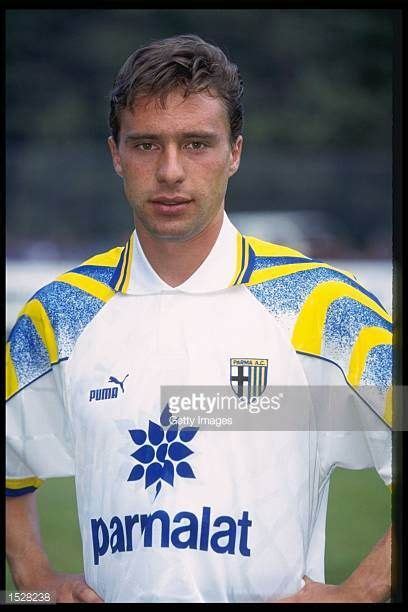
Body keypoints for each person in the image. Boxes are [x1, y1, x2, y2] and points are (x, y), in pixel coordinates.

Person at [6, 34, 392, 603]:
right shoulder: (59, 318)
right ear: (115, 154)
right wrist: (34, 578)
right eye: (144, 145)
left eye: (196, 144)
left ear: (235, 152)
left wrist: (362, 591)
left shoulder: (325, 313)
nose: (170, 171)